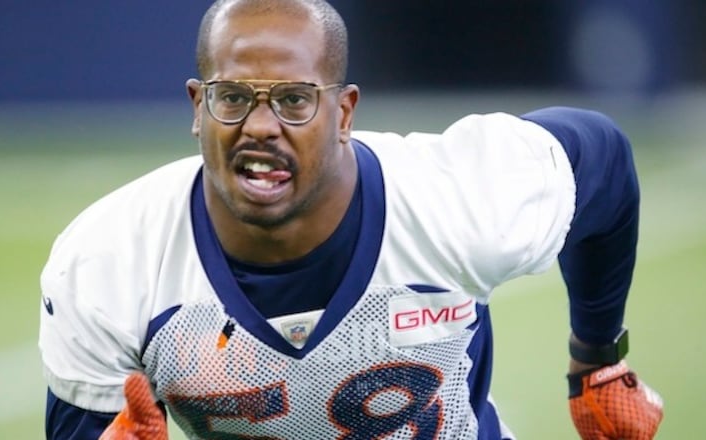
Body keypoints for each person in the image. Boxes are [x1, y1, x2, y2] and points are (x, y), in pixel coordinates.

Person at [39, 0, 664, 439]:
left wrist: (597, 357)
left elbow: (603, 157)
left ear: (343, 113)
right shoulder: (109, 261)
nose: (261, 126)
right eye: (233, 98)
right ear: (198, 108)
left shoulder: (453, 199)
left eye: (294, 100)